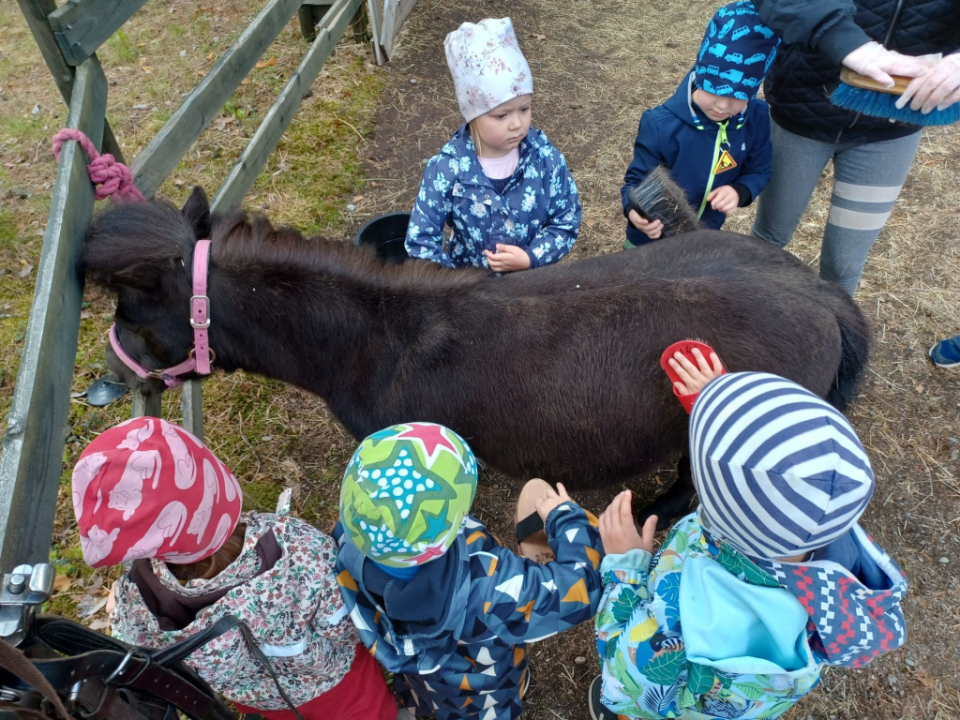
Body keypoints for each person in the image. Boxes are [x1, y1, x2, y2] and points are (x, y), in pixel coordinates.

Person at [589, 352, 908, 720]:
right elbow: (780, 469)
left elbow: (630, 674)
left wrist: (625, 568)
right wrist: (720, 406)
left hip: (676, 700)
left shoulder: (683, 616)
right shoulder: (831, 531)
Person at [73, 417, 396, 720]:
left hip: (260, 698)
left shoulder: (140, 597)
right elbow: (344, 624)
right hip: (334, 683)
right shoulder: (298, 546)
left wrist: (117, 611)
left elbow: (140, 652)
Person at [333, 422, 604, 720]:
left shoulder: (348, 544)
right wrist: (565, 518)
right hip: (485, 697)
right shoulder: (492, 590)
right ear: (455, 527)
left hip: (425, 685)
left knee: (433, 699)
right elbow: (582, 587)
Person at [750, 0, 960, 296]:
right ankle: (742, 313)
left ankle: (838, 336)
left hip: (891, 131)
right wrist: (841, 39)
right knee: (769, 237)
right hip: (801, 112)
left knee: (843, 264)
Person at [404, 17, 581, 272]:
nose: (517, 124)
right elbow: (421, 242)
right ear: (473, 115)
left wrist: (532, 258)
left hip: (532, 288)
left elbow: (566, 220)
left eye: (524, 108)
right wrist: (454, 288)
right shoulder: (447, 169)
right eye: (501, 115)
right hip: (471, 298)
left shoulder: (545, 159)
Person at [621, 1, 780, 247]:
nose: (722, 106)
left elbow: (759, 170)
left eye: (737, 97)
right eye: (714, 90)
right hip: (649, 243)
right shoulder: (660, 124)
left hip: (702, 238)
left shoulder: (756, 117)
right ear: (701, 74)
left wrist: (740, 191)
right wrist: (634, 214)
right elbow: (635, 182)